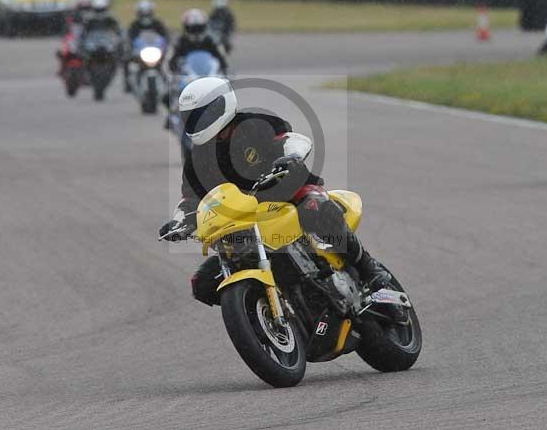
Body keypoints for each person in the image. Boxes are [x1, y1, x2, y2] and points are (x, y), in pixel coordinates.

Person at [158, 77, 393, 307]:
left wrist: (290, 157)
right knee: (202, 284)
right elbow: (190, 199)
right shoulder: (196, 158)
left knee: (316, 209)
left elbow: (290, 139)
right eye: (192, 118)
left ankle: (369, 269)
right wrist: (179, 222)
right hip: (245, 221)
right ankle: (262, 308)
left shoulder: (255, 124)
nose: (198, 123)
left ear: (222, 104)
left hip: (288, 193)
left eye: (204, 115)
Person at [168, 9, 228, 75]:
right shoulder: (181, 42)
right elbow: (172, 61)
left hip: (210, 76)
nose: (196, 32)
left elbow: (222, 60)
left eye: (198, 28)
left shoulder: (211, 41)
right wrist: (175, 69)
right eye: (192, 29)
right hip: (187, 78)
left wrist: (223, 71)